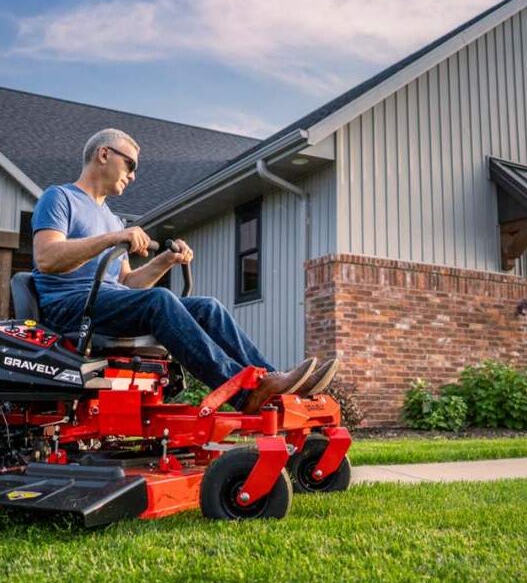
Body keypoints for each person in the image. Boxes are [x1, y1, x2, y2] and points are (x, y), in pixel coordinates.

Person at [31, 128, 338, 413]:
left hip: (104, 303)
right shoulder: (60, 198)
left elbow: (127, 283)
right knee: (161, 300)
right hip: (69, 306)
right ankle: (245, 393)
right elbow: (46, 257)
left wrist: (165, 259)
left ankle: (275, 385)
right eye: (131, 164)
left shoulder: (113, 219)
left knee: (207, 307)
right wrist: (114, 239)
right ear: (103, 154)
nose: (134, 176)